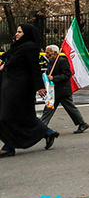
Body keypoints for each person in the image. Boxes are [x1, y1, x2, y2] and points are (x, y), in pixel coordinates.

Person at [0, 24, 59, 157]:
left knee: (7, 116)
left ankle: (9, 146)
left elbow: (34, 68)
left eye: (19, 32)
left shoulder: (30, 47)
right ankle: (48, 132)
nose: (16, 34)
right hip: (9, 85)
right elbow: (5, 56)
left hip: (20, 88)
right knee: (21, 116)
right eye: (17, 31)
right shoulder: (17, 46)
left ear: (26, 33)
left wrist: (39, 86)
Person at [40, 45, 89, 133]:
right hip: (53, 91)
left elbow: (67, 75)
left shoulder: (62, 61)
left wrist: (53, 78)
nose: (46, 54)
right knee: (48, 109)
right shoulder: (50, 62)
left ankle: (82, 123)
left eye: (48, 52)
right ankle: (41, 126)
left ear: (55, 53)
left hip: (62, 90)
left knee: (70, 109)